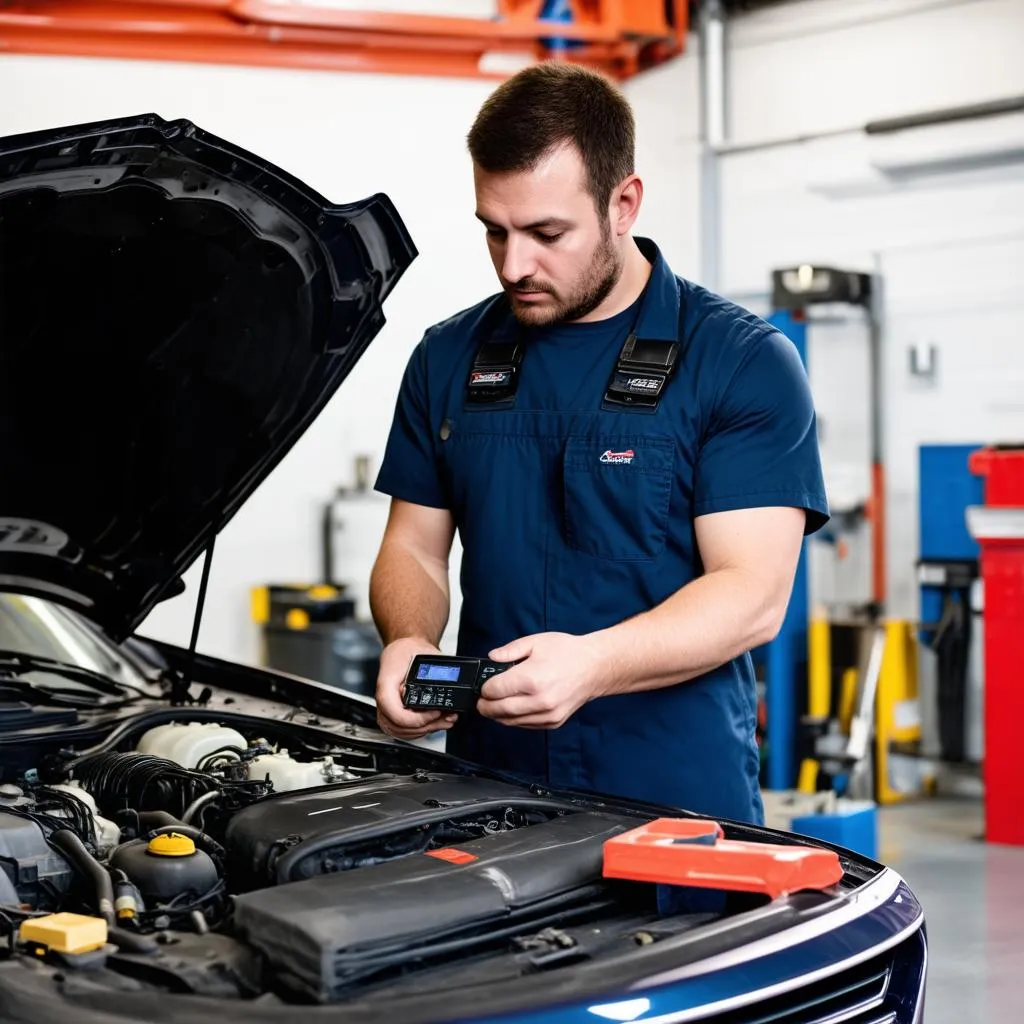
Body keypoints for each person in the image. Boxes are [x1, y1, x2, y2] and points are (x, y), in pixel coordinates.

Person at [368, 62, 829, 826]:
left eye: (546, 234)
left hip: (674, 801)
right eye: (494, 230)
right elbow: (413, 546)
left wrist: (595, 663)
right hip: (488, 791)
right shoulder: (447, 357)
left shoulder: (740, 362)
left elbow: (752, 595)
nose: (514, 265)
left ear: (624, 203)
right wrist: (410, 641)